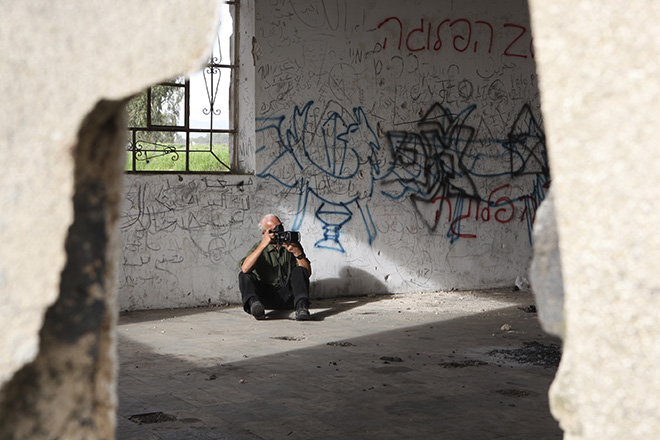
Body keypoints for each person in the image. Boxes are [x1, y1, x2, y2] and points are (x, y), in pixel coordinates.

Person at [238, 214, 312, 321]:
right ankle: (254, 306)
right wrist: (263, 245)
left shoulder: (291, 244)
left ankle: (301, 307)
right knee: (244, 275)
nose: (278, 232)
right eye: (273, 230)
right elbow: (245, 269)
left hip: (288, 294)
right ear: (264, 233)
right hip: (265, 296)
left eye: (280, 227)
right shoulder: (259, 247)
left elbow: (307, 273)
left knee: (299, 270)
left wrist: (297, 253)